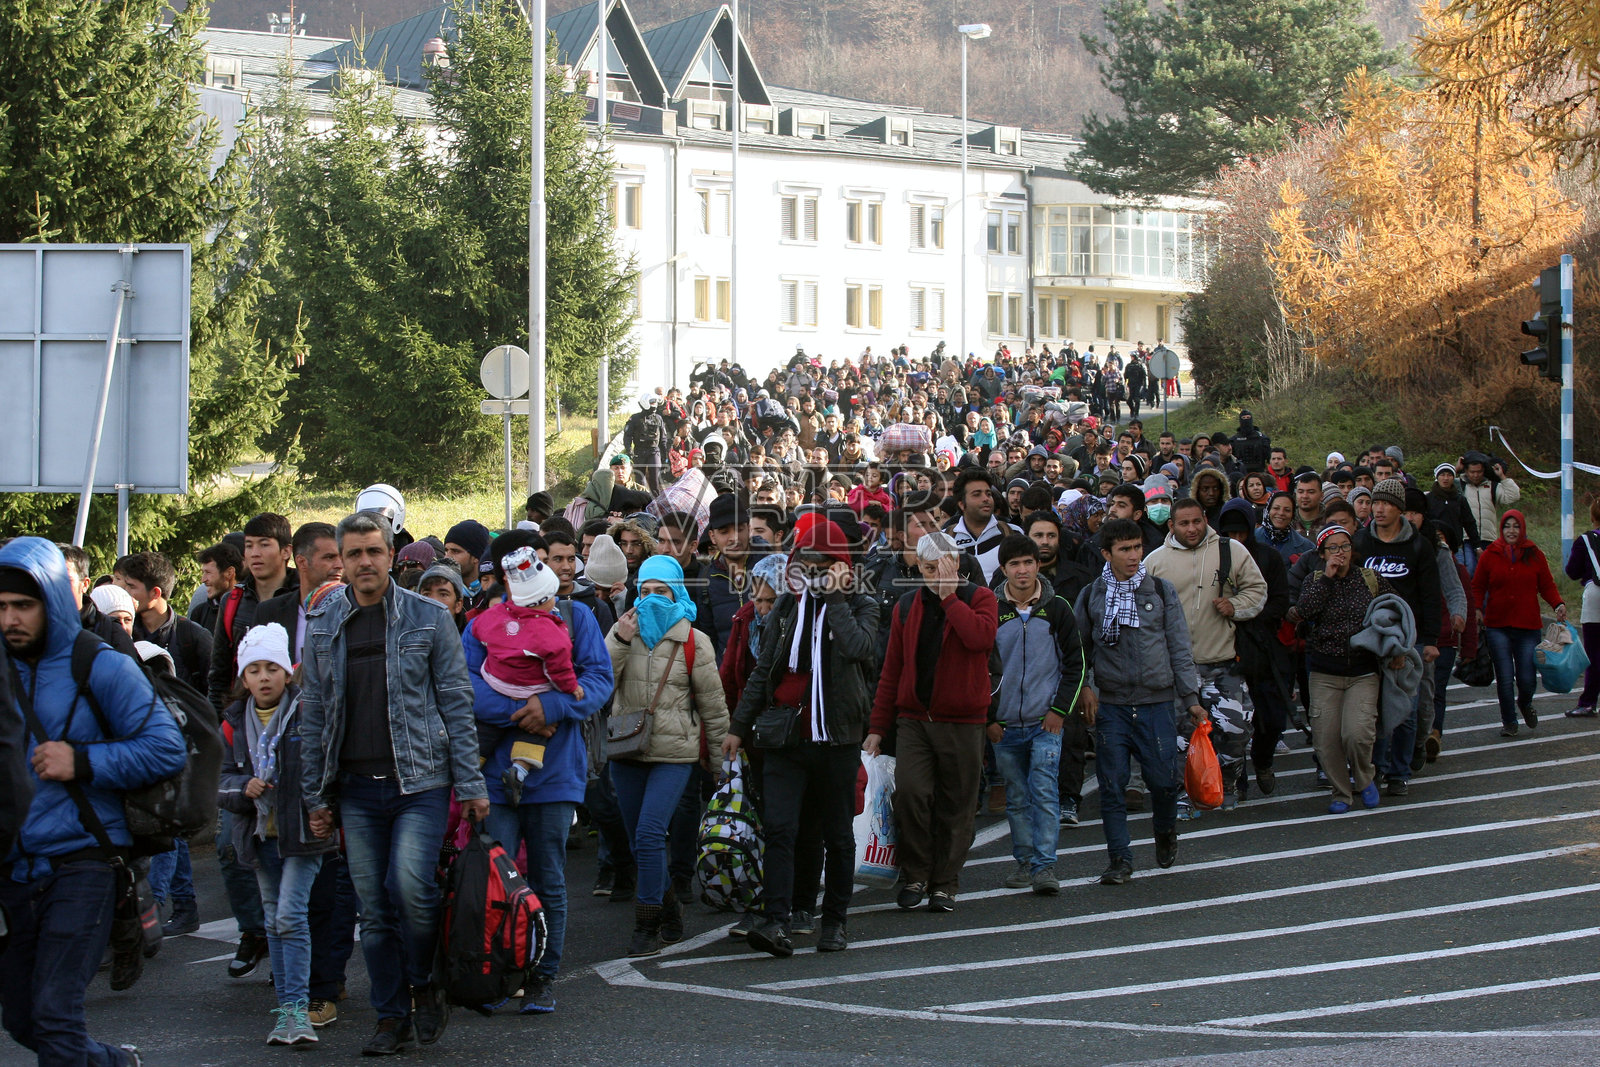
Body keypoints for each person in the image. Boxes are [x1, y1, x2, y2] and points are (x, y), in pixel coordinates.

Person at [298, 512, 490, 1054]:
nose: (363, 562)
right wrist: (316, 795)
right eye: (353, 554)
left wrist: (471, 786)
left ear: (390, 555)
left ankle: (426, 986)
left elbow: (457, 701)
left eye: (373, 552)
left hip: (421, 782)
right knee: (373, 911)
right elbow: (314, 713)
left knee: (410, 889)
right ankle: (390, 1017)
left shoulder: (429, 617)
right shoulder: (324, 622)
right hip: (355, 788)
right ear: (341, 559)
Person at [1, 537, 186, 1067]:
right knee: (23, 1020)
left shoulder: (96, 663)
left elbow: (165, 748)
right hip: (12, 868)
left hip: (85, 860)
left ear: (53, 601)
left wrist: (82, 761)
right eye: (0, 607)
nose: (11, 618)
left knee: (55, 1018)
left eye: (23, 605)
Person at [724, 514, 879, 956]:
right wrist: (738, 726)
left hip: (837, 739)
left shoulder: (862, 604)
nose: (810, 570)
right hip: (787, 739)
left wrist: (835, 599)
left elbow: (859, 649)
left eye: (821, 562)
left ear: (842, 563)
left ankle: (835, 922)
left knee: (837, 835)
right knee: (779, 828)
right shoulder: (788, 608)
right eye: (803, 561)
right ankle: (777, 920)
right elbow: (764, 671)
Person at [217, 622, 336, 1046]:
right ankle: (286, 1014)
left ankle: (298, 1012)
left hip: (304, 833)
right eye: (254, 670)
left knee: (289, 915)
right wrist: (242, 787)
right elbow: (220, 780)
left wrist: (326, 807)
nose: (263, 677)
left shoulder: (308, 711)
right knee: (273, 919)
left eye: (272, 668)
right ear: (243, 678)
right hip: (259, 835)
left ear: (288, 672)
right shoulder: (233, 722)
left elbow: (328, 766)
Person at [866, 531, 998, 913]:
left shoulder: (981, 598)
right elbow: (891, 669)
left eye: (941, 566)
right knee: (911, 794)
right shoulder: (906, 606)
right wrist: (877, 727)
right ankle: (916, 874)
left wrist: (950, 598)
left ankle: (944, 882)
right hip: (914, 720)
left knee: (957, 805)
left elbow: (980, 638)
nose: (934, 574)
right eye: (926, 568)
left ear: (955, 563)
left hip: (963, 721)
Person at [605, 556, 728, 958]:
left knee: (650, 833)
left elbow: (713, 706)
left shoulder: (694, 640)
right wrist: (620, 641)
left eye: (662, 591)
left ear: (677, 592)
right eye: (644, 591)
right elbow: (601, 684)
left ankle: (646, 922)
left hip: (675, 753)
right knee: (640, 843)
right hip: (627, 749)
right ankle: (669, 902)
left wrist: (719, 760)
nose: (652, 599)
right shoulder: (623, 631)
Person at [1074, 519, 1202, 884]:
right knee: (1111, 787)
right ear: (1106, 554)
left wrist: (1190, 698)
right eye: (1124, 549)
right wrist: (1085, 686)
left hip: (1157, 702)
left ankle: (1165, 832)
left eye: (1137, 547)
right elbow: (1080, 649)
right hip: (1112, 704)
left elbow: (1179, 647)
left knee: (1163, 782)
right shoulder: (1092, 594)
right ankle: (1119, 859)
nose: (1133, 556)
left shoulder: (1161, 591)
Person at [1145, 498, 1267, 813]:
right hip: (1176, 671)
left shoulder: (1231, 551)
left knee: (1234, 732)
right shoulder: (1154, 563)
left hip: (1223, 664)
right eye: (1183, 523)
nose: (1191, 528)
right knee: (1180, 740)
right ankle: (1186, 796)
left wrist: (1235, 606)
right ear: (1171, 525)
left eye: (1197, 521)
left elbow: (1257, 590)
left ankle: (1224, 786)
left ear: (1205, 520)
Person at [989, 535, 1086, 895]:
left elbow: (1075, 664)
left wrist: (1059, 710)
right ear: (1004, 569)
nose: (1022, 570)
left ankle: (1045, 867)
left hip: (1047, 722)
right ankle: (1024, 862)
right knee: (1016, 797)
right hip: (1005, 725)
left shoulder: (1058, 607)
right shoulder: (992, 609)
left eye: (1028, 562)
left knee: (1044, 792)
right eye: (1014, 564)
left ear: (1038, 564)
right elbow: (980, 667)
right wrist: (989, 718)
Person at [472, 548, 585, 805]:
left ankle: (471, 764)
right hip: (529, 691)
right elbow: (559, 668)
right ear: (547, 597)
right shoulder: (551, 631)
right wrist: (571, 688)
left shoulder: (494, 616)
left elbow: (477, 629)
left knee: (484, 732)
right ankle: (520, 768)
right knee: (538, 731)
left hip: (495, 681)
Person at [1295, 524, 1392, 813]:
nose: (1341, 553)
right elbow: (1304, 610)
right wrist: (1327, 578)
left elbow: (1393, 609)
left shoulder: (1370, 578)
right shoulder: (1314, 580)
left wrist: (1395, 648)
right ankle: (1340, 791)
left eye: (1345, 546)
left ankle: (1365, 778)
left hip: (1363, 671)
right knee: (1326, 739)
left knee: (1357, 733)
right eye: (1333, 548)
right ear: (1322, 553)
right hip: (1325, 671)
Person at [1355, 479, 1441, 796]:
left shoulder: (1418, 546)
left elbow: (1431, 596)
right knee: (1374, 706)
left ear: (1399, 508)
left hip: (1410, 636)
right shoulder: (1361, 542)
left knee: (1405, 706)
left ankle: (1399, 771)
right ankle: (1374, 769)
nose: (1378, 508)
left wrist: (1430, 639)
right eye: (1375, 502)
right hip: (1372, 634)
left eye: (1386, 503)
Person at [1471, 510, 1565, 737]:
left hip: (1528, 626)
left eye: (1516, 527)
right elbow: (1477, 585)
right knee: (1504, 677)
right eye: (1507, 527)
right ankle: (1509, 722)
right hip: (1497, 625)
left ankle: (1525, 702)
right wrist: (1476, 609)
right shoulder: (1490, 554)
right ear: (1501, 529)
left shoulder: (1534, 554)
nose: (1511, 531)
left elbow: (1547, 585)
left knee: (1526, 678)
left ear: (1522, 529)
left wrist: (1558, 604)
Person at [1562, 496, 1600, 718]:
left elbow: (1572, 571)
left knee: (1595, 652)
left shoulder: (1585, 540)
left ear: (1593, 516)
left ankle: (1587, 702)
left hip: (1595, 593)